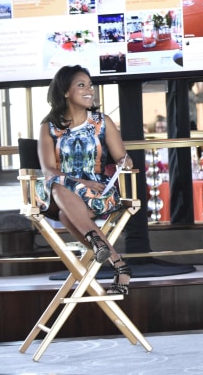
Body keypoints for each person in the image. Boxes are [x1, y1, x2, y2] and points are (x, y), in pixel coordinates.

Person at [35, 65, 134, 295]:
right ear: (65, 92)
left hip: (98, 194)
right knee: (59, 186)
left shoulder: (102, 121)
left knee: (64, 214)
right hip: (60, 192)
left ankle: (111, 257)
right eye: (82, 85)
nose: (90, 90)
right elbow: (48, 168)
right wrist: (80, 183)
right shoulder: (48, 126)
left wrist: (124, 163)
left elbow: (122, 158)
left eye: (91, 85)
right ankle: (116, 261)